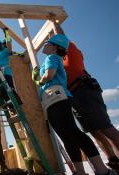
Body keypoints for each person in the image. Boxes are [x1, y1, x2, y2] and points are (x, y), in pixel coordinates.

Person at [32, 34, 115, 175]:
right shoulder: (54, 57)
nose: (45, 45)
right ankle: (84, 171)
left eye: (48, 43)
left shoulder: (51, 58)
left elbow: (49, 75)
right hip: (56, 99)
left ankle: (100, 170)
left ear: (55, 47)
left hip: (56, 98)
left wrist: (39, 80)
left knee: (73, 135)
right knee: (69, 136)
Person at [51, 19, 119, 167]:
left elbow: (61, 34)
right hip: (74, 96)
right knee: (94, 131)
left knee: (105, 127)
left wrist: (52, 21)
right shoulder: (57, 61)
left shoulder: (71, 50)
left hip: (84, 90)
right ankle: (114, 161)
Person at [0, 37, 22, 110]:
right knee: (2, 91)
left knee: (9, 89)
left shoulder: (4, 51)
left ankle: (17, 105)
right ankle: (11, 108)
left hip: (5, 73)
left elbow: (10, 50)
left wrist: (7, 36)